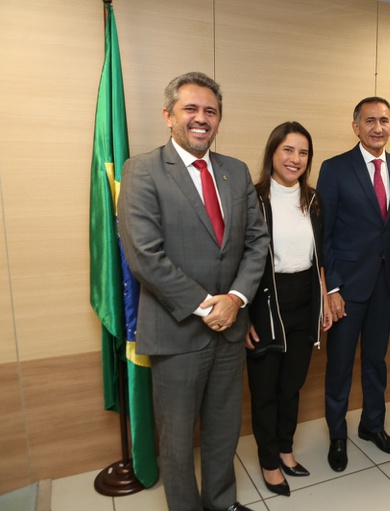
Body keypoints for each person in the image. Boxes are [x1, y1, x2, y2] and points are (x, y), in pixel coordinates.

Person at [118, 72, 269, 511]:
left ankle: (221, 503)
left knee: (224, 430)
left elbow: (257, 242)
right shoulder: (142, 170)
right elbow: (145, 255)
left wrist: (236, 299)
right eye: (191, 109)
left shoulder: (235, 171)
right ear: (168, 116)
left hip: (229, 330)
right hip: (176, 329)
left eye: (210, 111)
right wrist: (208, 306)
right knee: (179, 440)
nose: (201, 118)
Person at [317, 97, 390, 472]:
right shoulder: (335, 168)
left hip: (386, 285)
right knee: (339, 365)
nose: (378, 127)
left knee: (376, 362)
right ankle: (337, 436)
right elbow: (323, 234)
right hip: (347, 289)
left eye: (384, 120)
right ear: (355, 126)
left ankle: (372, 426)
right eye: (370, 120)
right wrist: (333, 288)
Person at [244, 121, 332, 497]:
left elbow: (319, 257)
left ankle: (284, 448)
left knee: (291, 384)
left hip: (305, 298)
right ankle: (267, 460)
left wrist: (325, 299)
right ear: (273, 152)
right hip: (264, 298)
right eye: (288, 150)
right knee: (264, 388)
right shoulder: (253, 198)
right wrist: (243, 314)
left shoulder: (313, 200)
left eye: (303, 152)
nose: (295, 159)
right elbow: (238, 258)